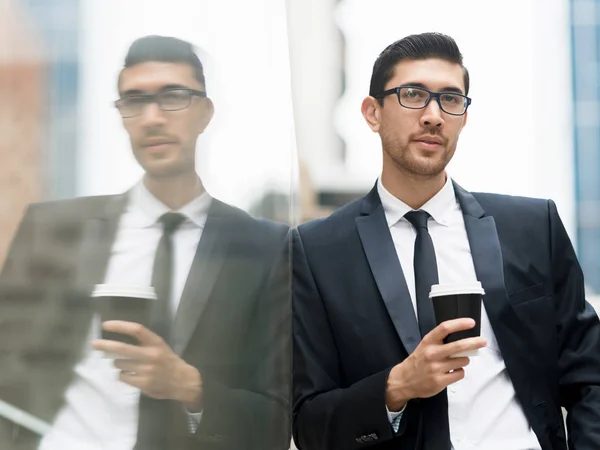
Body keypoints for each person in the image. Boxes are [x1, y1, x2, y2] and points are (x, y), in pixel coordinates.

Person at [292, 32, 600, 450]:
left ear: (463, 117)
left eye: (451, 99)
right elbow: (308, 423)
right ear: (372, 112)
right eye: (413, 94)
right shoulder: (316, 251)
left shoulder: (531, 226)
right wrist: (396, 386)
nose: (433, 115)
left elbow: (590, 377)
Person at [0, 35, 290, 450]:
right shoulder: (53, 227)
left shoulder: (265, 247)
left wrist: (190, 386)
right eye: (134, 101)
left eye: (173, 96)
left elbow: (280, 417)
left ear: (205, 112)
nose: (152, 117)